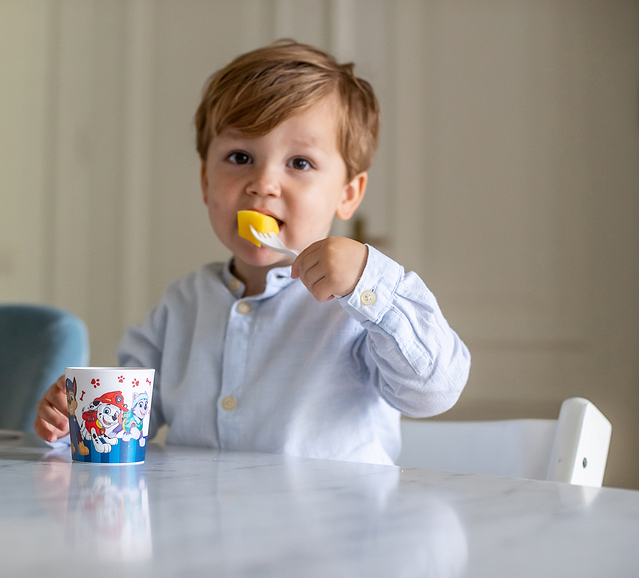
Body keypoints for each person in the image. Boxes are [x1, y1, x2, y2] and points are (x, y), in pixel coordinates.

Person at [35, 40, 470, 465]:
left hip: (336, 514)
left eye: (300, 163)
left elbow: (433, 392)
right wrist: (75, 421)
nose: (263, 183)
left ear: (348, 194)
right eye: (240, 157)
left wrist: (369, 282)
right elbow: (127, 422)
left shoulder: (356, 310)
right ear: (205, 182)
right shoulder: (181, 306)